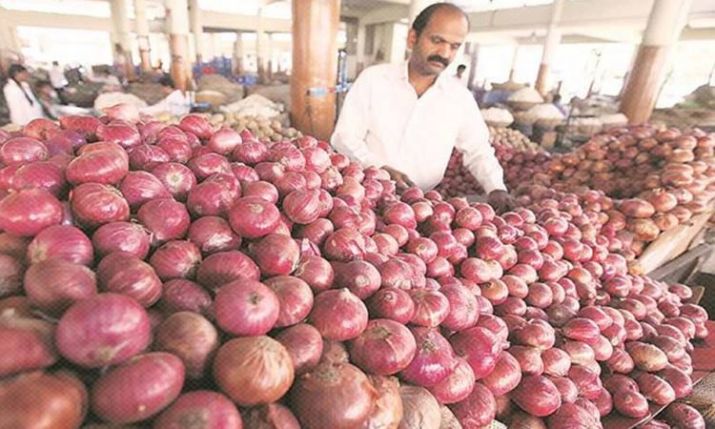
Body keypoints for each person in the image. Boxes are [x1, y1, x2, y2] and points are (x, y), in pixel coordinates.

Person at [331, 3, 512, 211]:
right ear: (412, 38)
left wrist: (496, 187)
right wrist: (378, 168)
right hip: (365, 195)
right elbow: (344, 137)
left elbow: (478, 150)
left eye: (454, 46)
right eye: (437, 40)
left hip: (423, 208)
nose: (444, 53)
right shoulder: (374, 80)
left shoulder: (459, 98)